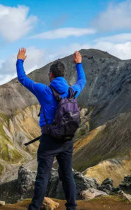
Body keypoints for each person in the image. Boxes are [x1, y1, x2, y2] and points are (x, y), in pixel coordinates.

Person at [16, 48, 86, 210]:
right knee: (67, 174)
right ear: (63, 75)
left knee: (43, 176)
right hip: (67, 139)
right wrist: (79, 64)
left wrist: (20, 60)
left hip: (49, 140)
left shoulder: (45, 91)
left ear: (51, 75)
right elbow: (82, 81)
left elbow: (23, 79)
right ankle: (72, 207)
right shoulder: (72, 91)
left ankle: (35, 207)